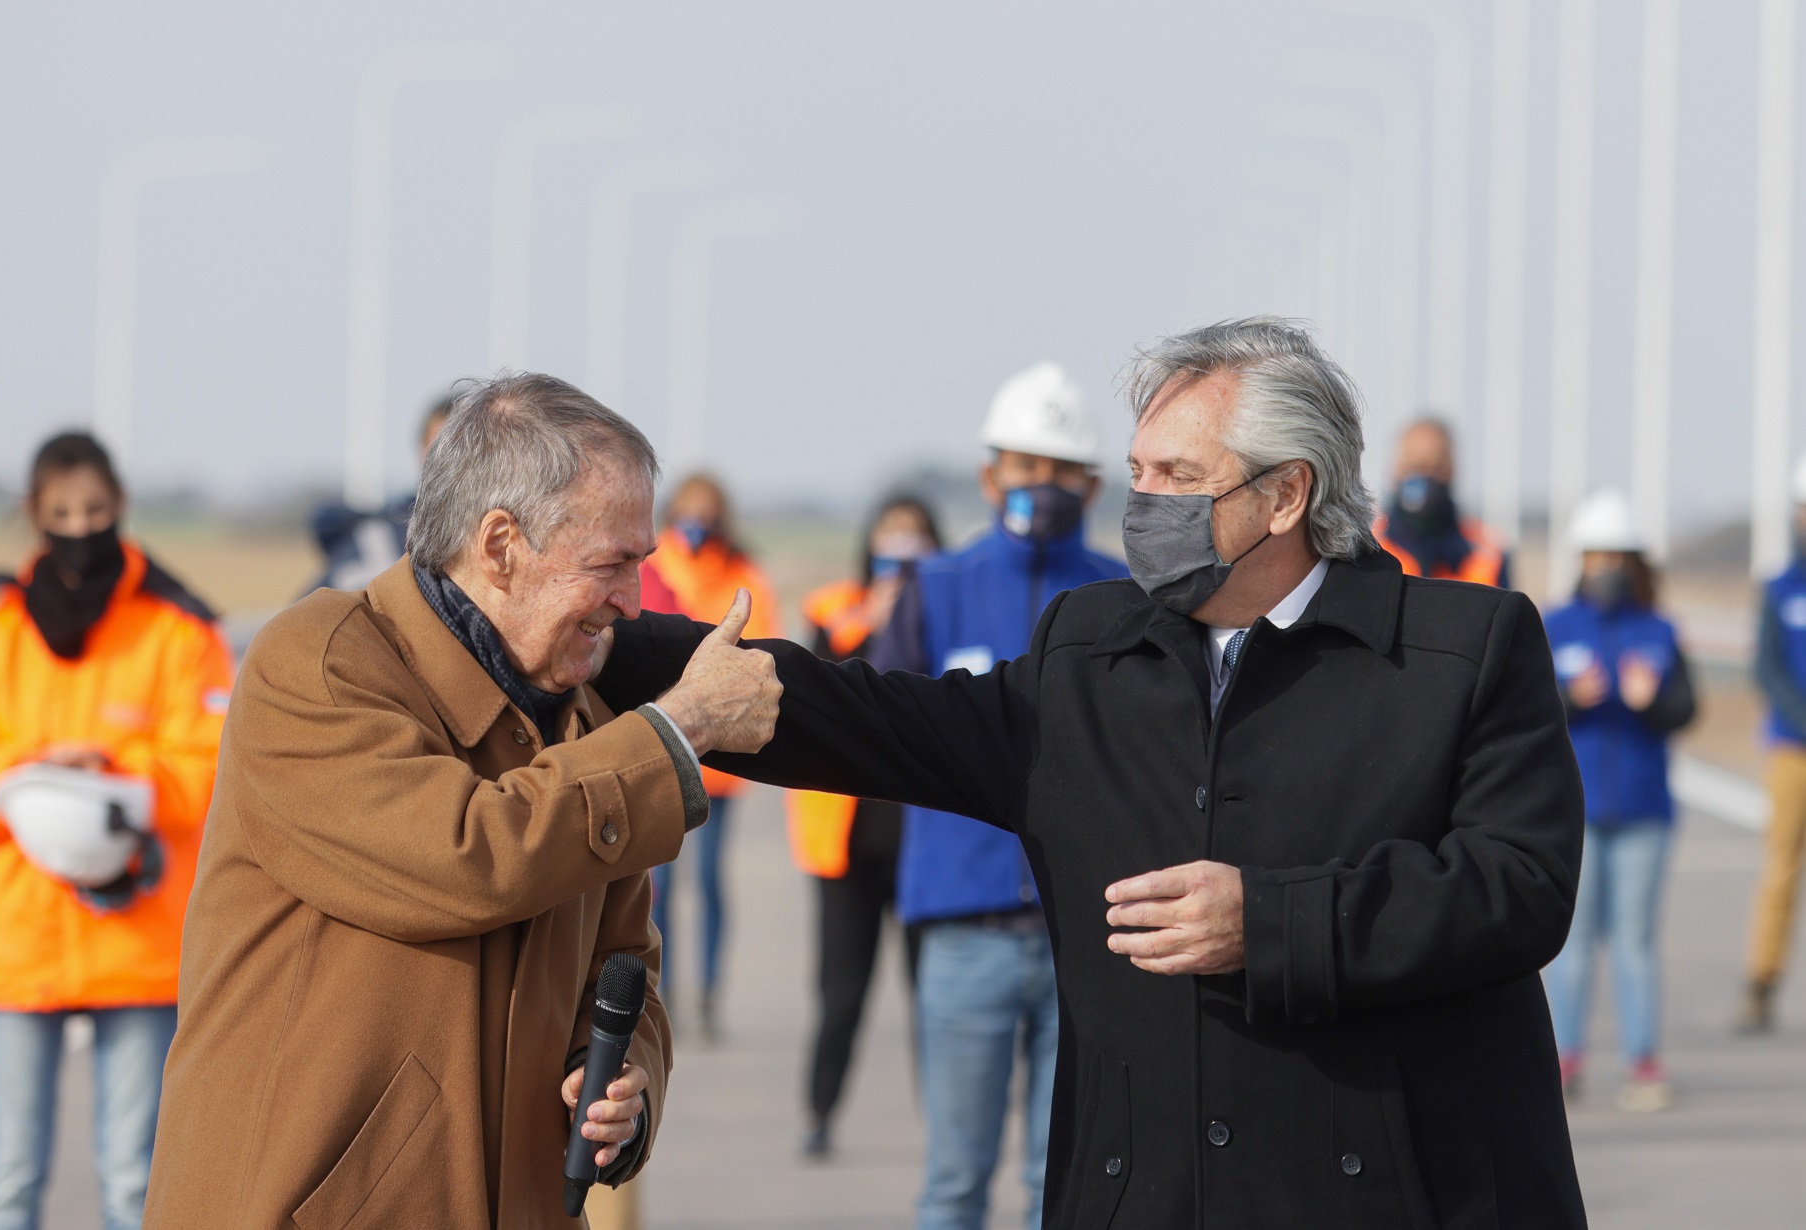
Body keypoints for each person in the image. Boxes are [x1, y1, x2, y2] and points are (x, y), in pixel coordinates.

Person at [600, 318, 1590, 1228]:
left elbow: (1519, 887)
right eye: (1134, 472)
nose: (1141, 502)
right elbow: (871, 718)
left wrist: (1270, 920)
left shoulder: (1462, 651)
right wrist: (603, 640)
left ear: (1285, 493)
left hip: (1385, 1196)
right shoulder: (1090, 651)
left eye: (1175, 474)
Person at [143, 374, 781, 1229]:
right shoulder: (318, 665)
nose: (631, 604)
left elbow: (628, 968)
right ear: (500, 545)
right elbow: (467, 858)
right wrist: (680, 730)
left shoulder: (585, 725)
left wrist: (622, 1083)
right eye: (610, 565)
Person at [0, 432, 233, 1230]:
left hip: (140, 946)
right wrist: (37, 772)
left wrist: (120, 777)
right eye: (60, 512)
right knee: (10, 1179)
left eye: (93, 510)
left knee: (133, 1181)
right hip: (15, 942)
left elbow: (218, 769)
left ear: (118, 509)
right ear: (33, 516)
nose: (78, 526)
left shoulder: (179, 635)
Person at [862, 362, 1125, 1230]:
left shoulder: (1127, 600)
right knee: (954, 1183)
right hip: (965, 931)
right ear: (989, 476)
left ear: (1090, 483)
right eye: (1023, 465)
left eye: (1059, 470)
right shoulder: (933, 591)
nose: (1040, 486)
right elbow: (880, 729)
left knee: (1068, 1187)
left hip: (1088, 937)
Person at [787, 494, 941, 1160]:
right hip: (844, 848)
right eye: (891, 540)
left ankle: (944, 1120)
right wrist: (870, 618)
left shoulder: (944, 607)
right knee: (841, 992)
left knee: (933, 999)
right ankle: (820, 1113)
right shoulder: (834, 608)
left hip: (925, 847)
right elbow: (814, 680)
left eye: (915, 542)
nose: (902, 554)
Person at [1540, 490, 1696, 1113]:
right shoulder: (1553, 627)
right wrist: (1571, 698)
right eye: (1596, 554)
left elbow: (1686, 710)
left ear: (1635, 563)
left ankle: (1642, 1061)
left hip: (1642, 813)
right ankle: (1562, 1058)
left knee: (1634, 943)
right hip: (1572, 813)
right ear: (1581, 559)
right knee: (1570, 946)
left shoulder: (1659, 629)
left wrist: (1650, 702)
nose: (1606, 567)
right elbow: (1524, 711)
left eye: (1618, 556)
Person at [645, 472, 781, 1039]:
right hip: (662, 747)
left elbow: (765, 649)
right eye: (688, 509)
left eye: (706, 510)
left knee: (709, 880)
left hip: (721, 760)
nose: (696, 520)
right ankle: (664, 988)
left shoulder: (743, 576)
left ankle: (707, 992)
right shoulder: (653, 566)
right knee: (662, 884)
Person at [1740, 454, 1806, 1032]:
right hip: (1792, 750)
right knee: (1781, 868)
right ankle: (1761, 982)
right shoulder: (1780, 587)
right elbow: (1765, 666)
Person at [309, 391, 455, 591]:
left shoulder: (494, 538)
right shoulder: (378, 530)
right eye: (440, 446)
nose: (452, 460)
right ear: (422, 449)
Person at [1374, 416, 1509, 587]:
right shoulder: (1365, 547)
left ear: (1453, 469)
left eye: (1437, 467)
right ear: (1396, 469)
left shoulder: (1487, 553)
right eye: (1415, 467)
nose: (1425, 477)